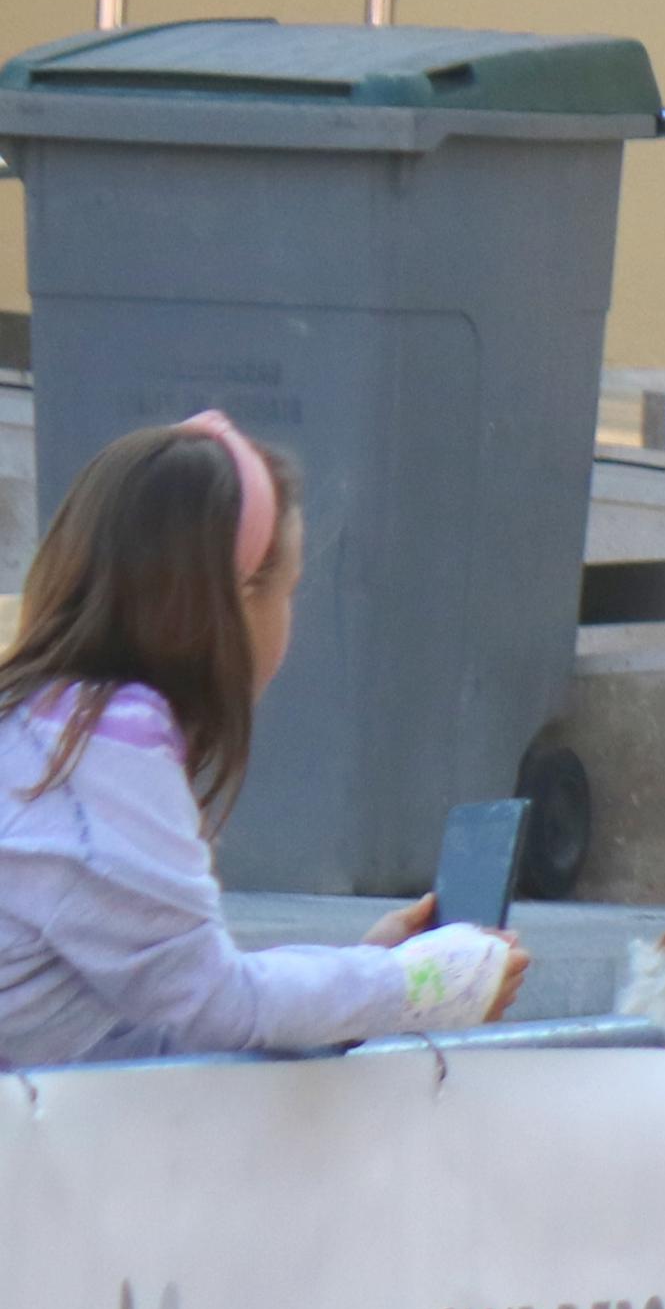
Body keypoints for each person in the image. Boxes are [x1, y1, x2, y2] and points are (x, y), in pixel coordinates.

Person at [0, 417, 523, 1064]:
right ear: (237, 596)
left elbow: (153, 1020)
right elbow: (215, 1005)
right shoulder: (107, 753)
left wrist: (362, 972)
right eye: (288, 588)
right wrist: (421, 986)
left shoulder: (37, 722)